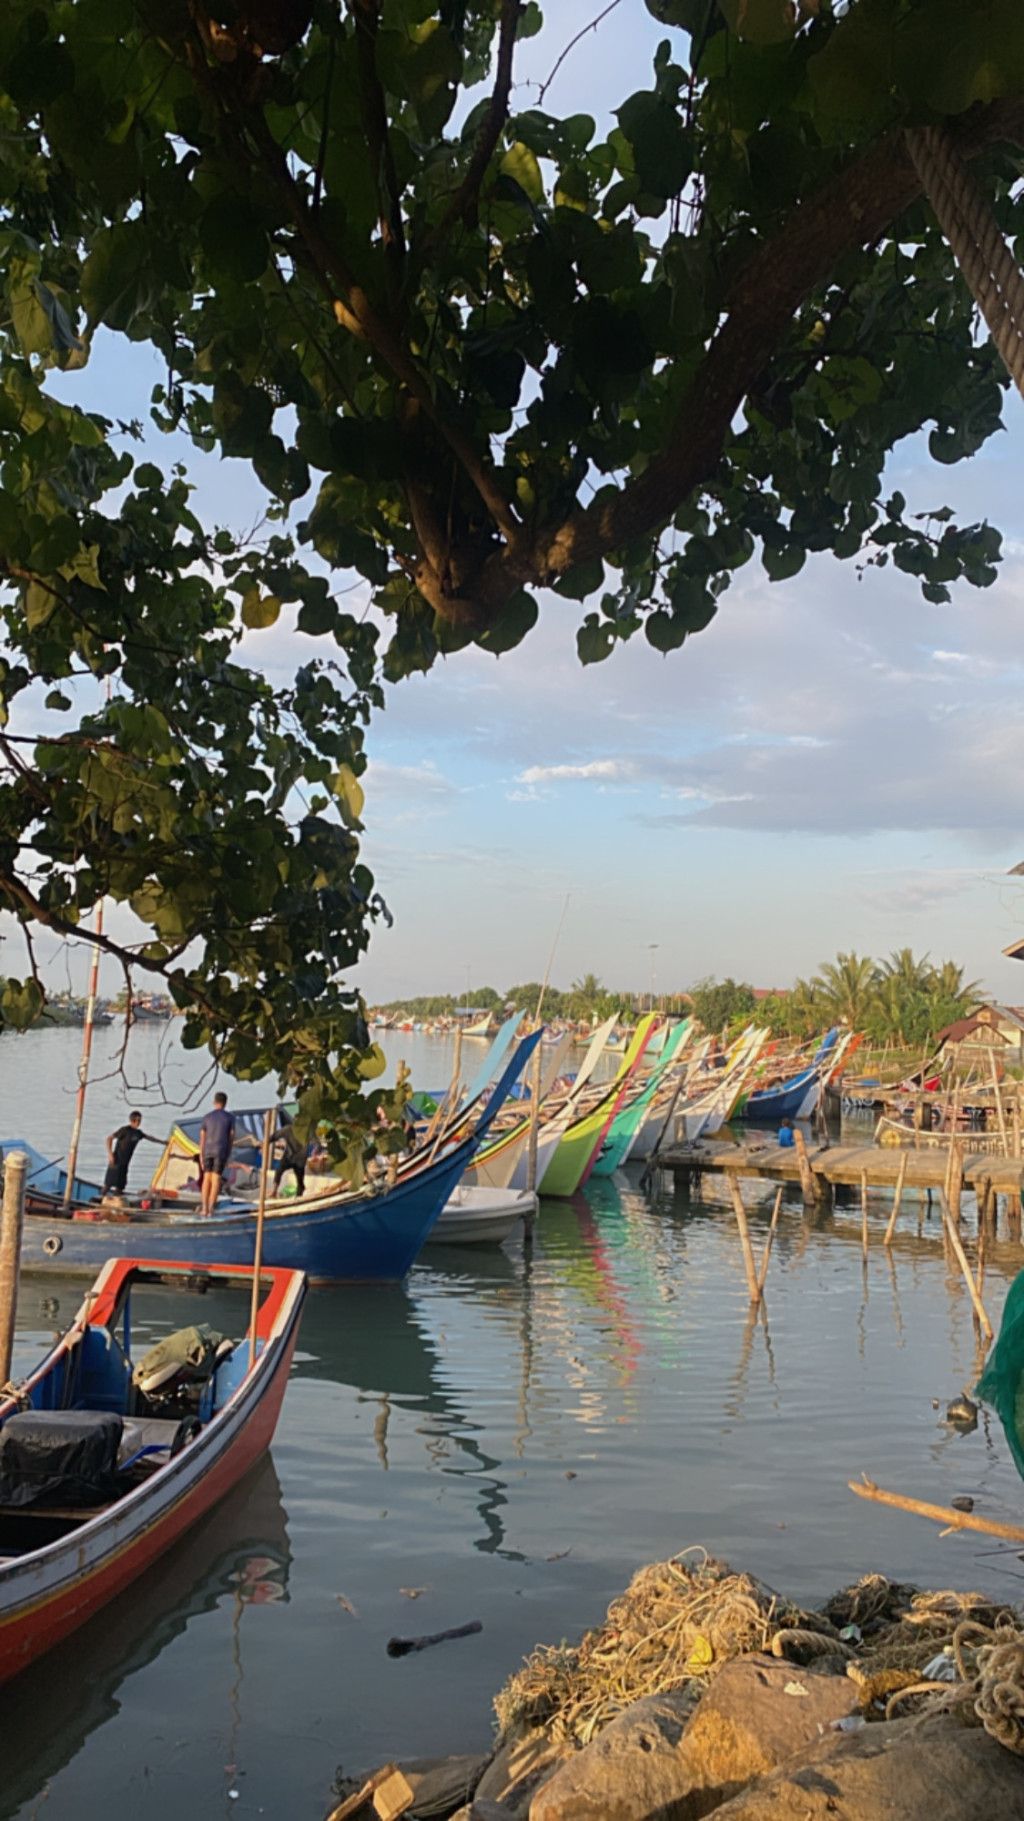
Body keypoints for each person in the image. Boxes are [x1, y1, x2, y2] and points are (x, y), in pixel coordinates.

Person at [104, 1111, 159, 1197]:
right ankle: (99, 1199)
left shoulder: (138, 1133)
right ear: (131, 1121)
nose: (138, 1123)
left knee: (121, 1186)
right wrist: (110, 1154)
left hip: (125, 1162)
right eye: (136, 1120)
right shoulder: (125, 1130)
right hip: (116, 1160)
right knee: (109, 1184)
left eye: (139, 1121)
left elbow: (149, 1137)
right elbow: (109, 1139)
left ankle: (116, 1201)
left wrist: (163, 1142)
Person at [199, 1091, 236, 1216]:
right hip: (220, 1150)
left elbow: (202, 1138)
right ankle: (210, 1209)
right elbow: (231, 1137)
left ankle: (204, 1208)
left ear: (214, 1103)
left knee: (206, 1179)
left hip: (207, 1150)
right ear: (225, 1103)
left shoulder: (207, 1117)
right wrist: (228, 1154)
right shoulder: (230, 1117)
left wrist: (201, 1155)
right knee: (216, 1180)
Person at [273, 1112, 307, 1198]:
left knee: (299, 1179)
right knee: (279, 1171)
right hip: (289, 1156)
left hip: (300, 1158)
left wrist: (316, 1149)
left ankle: (299, 1195)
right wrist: (265, 1143)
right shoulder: (288, 1129)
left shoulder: (305, 1131)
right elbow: (275, 1136)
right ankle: (274, 1191)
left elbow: (316, 1141)